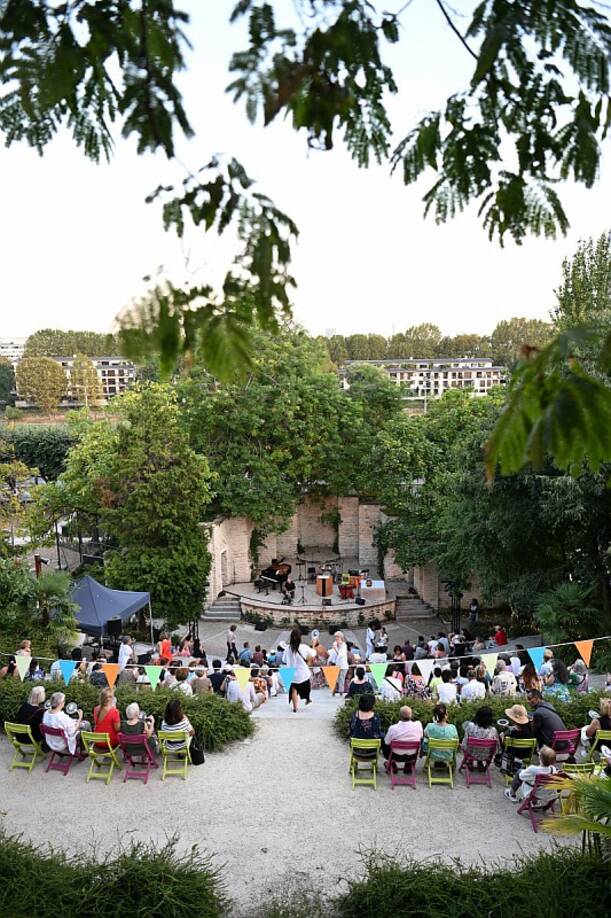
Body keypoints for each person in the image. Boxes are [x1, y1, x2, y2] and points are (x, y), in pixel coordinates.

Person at [283, 628, 316, 712]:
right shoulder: (304, 647)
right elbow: (313, 653)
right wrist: (313, 645)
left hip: (291, 673)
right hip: (302, 673)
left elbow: (284, 660)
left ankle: (295, 707)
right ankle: (307, 698)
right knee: (306, 684)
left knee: (294, 689)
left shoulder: (287, 648)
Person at [330, 631, 349, 697]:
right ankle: (334, 691)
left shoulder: (344, 645)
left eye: (337, 637)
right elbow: (333, 654)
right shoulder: (335, 644)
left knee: (341, 679)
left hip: (343, 665)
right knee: (335, 678)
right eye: (335, 637)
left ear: (341, 637)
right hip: (337, 664)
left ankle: (341, 692)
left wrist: (336, 649)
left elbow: (341, 655)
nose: (336, 638)